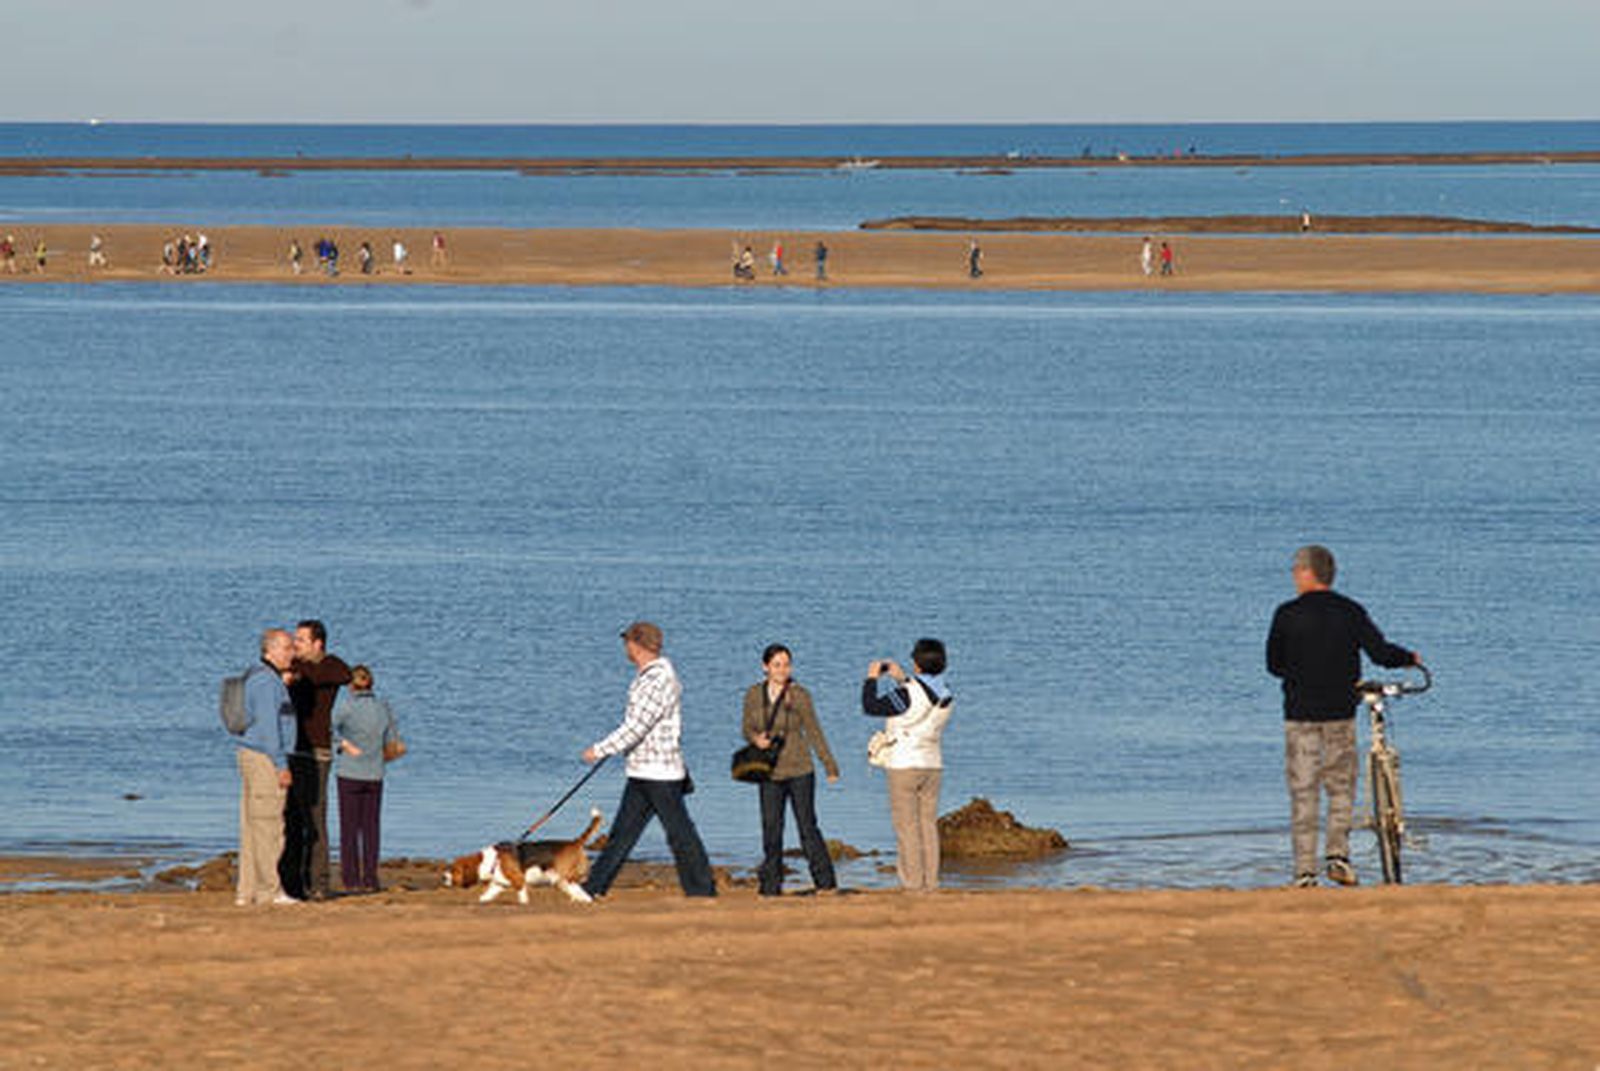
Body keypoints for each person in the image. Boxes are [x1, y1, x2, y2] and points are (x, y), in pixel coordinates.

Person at [1267, 545, 1421, 888]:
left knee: (1303, 792)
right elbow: (1380, 653)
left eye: (1296, 569)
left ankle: (1304, 872)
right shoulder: (1350, 612)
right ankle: (1338, 855)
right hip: (1340, 713)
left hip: (1299, 715)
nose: (1293, 575)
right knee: (1340, 788)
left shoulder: (1286, 614)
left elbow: (1273, 665)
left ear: (1309, 573)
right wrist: (1409, 657)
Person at [581, 621, 716, 899]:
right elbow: (638, 726)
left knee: (680, 835)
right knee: (622, 835)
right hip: (643, 770)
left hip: (661, 773)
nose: (626, 648)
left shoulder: (658, 679)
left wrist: (601, 749)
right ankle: (594, 888)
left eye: (628, 642)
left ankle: (702, 890)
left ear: (637, 645)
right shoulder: (649, 676)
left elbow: (637, 726)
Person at [741, 644, 840, 896]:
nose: (782, 670)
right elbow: (746, 728)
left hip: (800, 769)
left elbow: (814, 730)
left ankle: (825, 883)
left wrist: (829, 764)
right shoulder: (754, 694)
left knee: (808, 827)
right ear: (765, 667)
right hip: (769, 772)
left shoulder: (800, 695)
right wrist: (755, 739)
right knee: (771, 829)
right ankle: (771, 887)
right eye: (777, 665)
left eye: (786, 664)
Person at [861, 638, 954, 891]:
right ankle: (931, 882)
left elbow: (871, 706)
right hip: (933, 764)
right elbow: (921, 699)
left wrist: (871, 679)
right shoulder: (946, 692)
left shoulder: (908, 693)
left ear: (916, 664)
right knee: (928, 825)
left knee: (907, 827)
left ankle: (913, 884)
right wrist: (902, 678)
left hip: (904, 764)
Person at [281, 619, 352, 901]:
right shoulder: (293, 669)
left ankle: (319, 882)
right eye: (295, 639)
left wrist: (300, 673)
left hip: (317, 751)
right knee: (291, 819)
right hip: (291, 749)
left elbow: (343, 673)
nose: (295, 645)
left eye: (300, 640)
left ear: (317, 643)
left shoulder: (328, 666)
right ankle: (293, 882)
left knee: (315, 818)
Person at [235, 629, 298, 906]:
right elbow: (269, 728)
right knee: (268, 827)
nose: (292, 653)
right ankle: (268, 891)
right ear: (270, 651)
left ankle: (247, 892)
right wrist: (281, 764)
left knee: (253, 826)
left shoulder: (261, 677)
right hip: (264, 759)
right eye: (286, 648)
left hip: (254, 755)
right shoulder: (266, 683)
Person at [331, 664, 398, 894]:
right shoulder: (383, 708)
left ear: (351, 685)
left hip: (350, 773)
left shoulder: (346, 706)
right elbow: (391, 740)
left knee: (349, 829)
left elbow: (327, 728)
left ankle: (351, 879)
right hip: (375, 773)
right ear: (371, 684)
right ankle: (370, 878)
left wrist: (342, 744)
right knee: (371, 828)